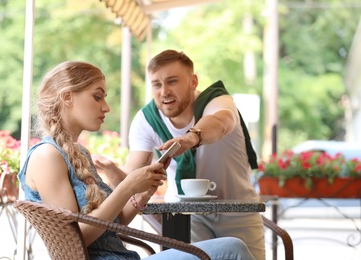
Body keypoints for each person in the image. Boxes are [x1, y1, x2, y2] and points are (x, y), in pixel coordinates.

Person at [17, 60, 255, 260]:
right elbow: (75, 240)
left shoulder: (79, 154)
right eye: (97, 97)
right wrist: (127, 186)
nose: (106, 107)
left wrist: (143, 193)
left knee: (231, 247)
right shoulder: (46, 156)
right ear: (68, 97)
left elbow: (115, 222)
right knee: (232, 249)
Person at [119, 49, 266, 260]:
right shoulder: (146, 120)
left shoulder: (218, 101)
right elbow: (132, 178)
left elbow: (220, 123)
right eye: (157, 84)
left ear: (193, 81)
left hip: (238, 211)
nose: (164, 91)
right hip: (185, 215)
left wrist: (190, 138)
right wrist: (107, 172)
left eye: (172, 81)